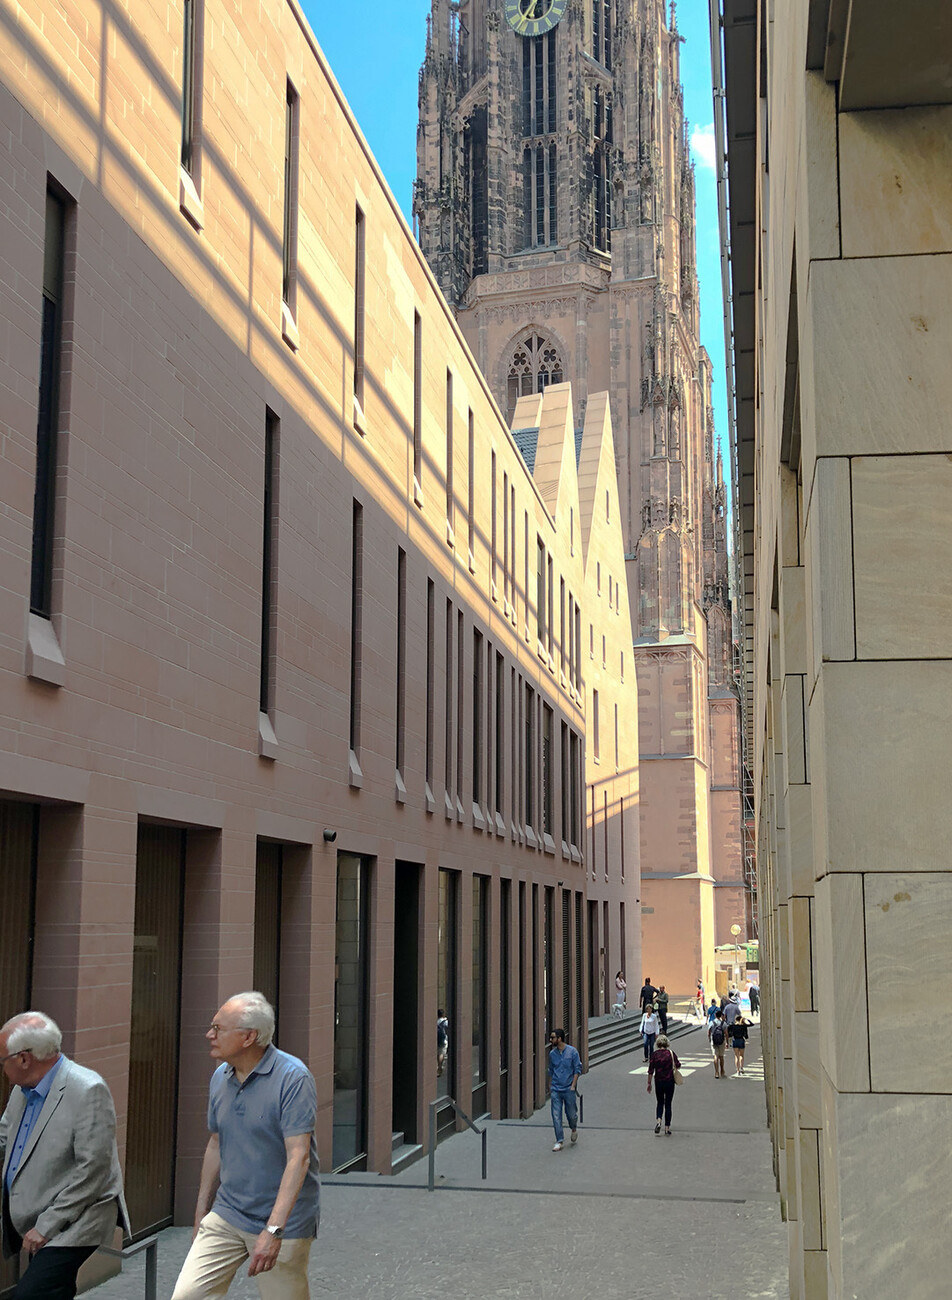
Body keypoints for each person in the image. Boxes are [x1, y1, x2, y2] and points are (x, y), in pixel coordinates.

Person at [171, 991, 320, 1299]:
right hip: (228, 1213)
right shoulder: (219, 1078)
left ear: (248, 1037)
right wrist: (201, 1211)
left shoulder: (293, 1078)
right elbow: (216, 1144)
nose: (209, 1035)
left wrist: (274, 1230)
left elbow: (299, 1157)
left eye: (218, 1029)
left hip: (282, 1222)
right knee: (188, 1296)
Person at [0, 1011, 129, 1300]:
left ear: (24, 1058)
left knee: (32, 1294)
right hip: (37, 1209)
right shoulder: (22, 1090)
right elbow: (4, 1137)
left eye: (3, 1060)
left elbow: (93, 1171)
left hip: (79, 1216)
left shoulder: (87, 1090)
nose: (2, 1068)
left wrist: (47, 1225)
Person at [546, 1029, 582, 1152]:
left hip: (568, 1088)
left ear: (559, 1039)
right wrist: (550, 1085)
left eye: (553, 1037)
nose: (551, 1040)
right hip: (556, 1088)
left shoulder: (572, 1052)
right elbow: (550, 1070)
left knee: (571, 1114)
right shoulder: (552, 1054)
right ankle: (559, 1140)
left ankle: (573, 1128)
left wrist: (573, 1085)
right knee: (556, 1115)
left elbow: (577, 1069)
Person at [646, 1033, 682, 1136]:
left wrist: (649, 1083)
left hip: (658, 1081)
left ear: (657, 1043)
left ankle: (658, 1121)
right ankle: (667, 1128)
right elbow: (678, 1065)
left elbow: (650, 1071)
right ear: (667, 1043)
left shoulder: (654, 1055)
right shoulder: (670, 1053)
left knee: (660, 1102)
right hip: (669, 1081)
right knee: (668, 1104)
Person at [708, 1009, 728, 1078]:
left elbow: (709, 1032)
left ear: (715, 1015)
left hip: (714, 1041)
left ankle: (716, 1072)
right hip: (722, 1041)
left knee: (715, 1056)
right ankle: (722, 1070)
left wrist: (709, 1039)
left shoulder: (711, 1022)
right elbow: (726, 1033)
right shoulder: (723, 1023)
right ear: (721, 1016)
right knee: (721, 1056)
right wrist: (727, 1042)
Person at [436, 1009, 448, 1077]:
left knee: (437, 1053)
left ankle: (437, 1065)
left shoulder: (435, 1021)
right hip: (443, 1040)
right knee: (441, 1054)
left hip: (436, 1040)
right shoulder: (445, 1022)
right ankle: (439, 1067)